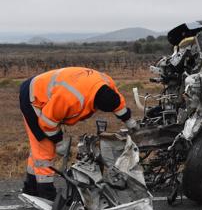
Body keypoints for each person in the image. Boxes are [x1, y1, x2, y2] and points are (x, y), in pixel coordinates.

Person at [19, 67, 137, 200]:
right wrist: (58, 141)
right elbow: (47, 122)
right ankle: (46, 195)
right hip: (34, 97)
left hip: (51, 93)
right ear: (95, 103)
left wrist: (130, 122)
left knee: (37, 148)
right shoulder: (71, 98)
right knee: (45, 149)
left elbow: (118, 104)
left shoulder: (107, 84)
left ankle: (30, 188)